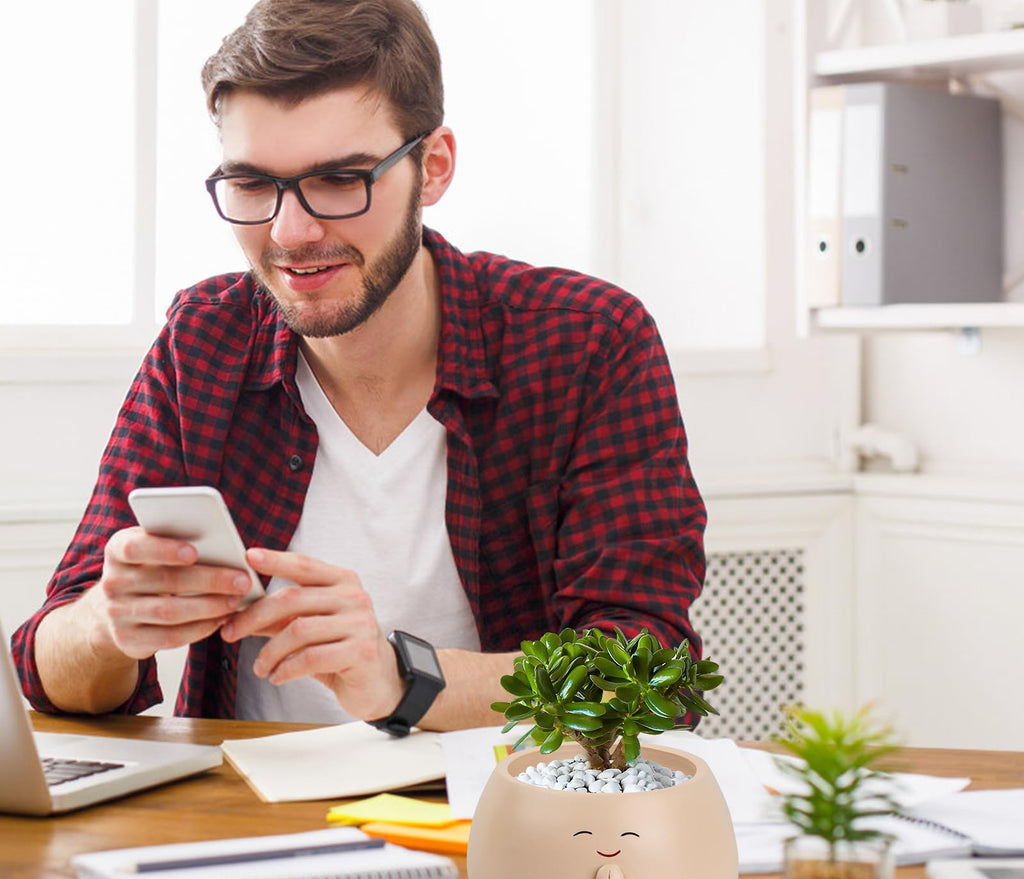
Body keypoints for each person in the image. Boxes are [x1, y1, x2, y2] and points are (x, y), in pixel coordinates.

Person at [12, 0, 706, 733]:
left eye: (341, 179)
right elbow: (50, 672)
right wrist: (104, 626)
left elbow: (651, 676)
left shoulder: (588, 341)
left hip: (504, 814)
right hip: (254, 822)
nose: (290, 232)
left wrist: (403, 676)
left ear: (432, 168)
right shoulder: (204, 340)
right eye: (252, 185)